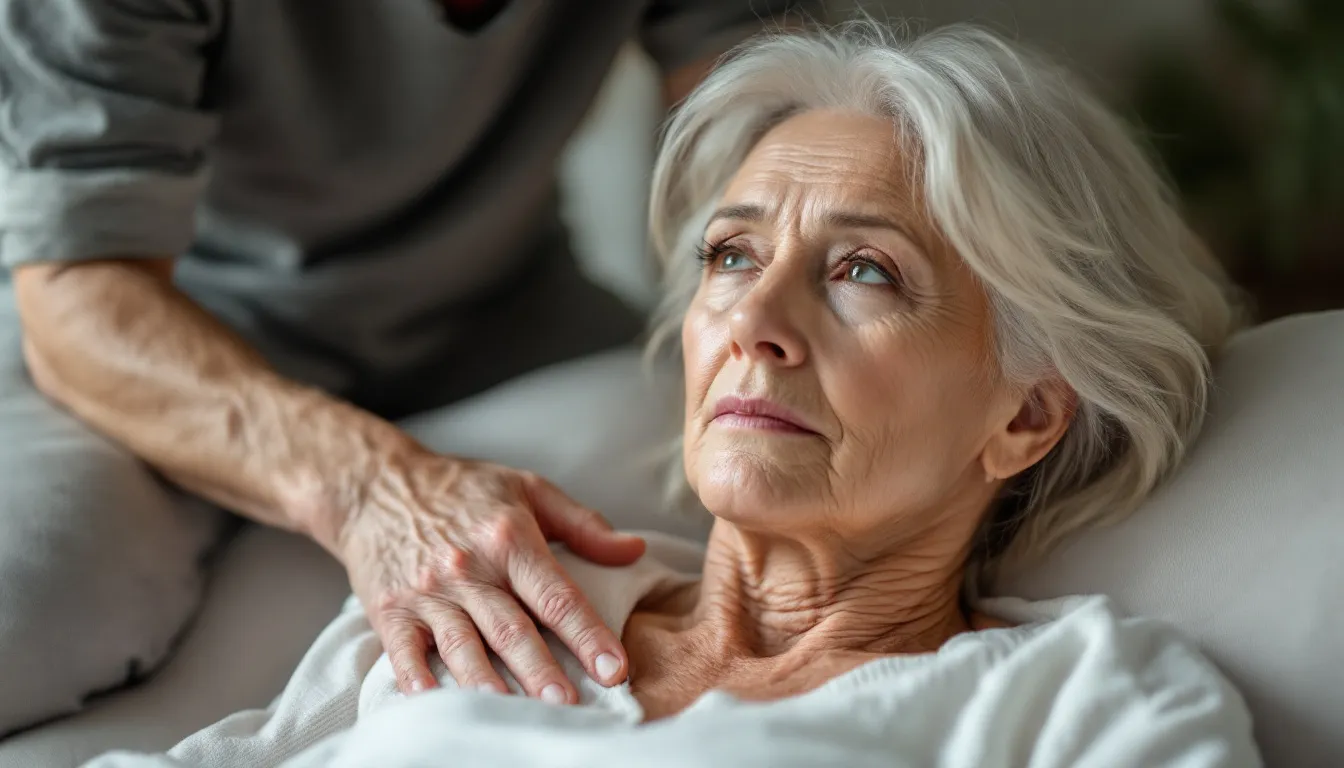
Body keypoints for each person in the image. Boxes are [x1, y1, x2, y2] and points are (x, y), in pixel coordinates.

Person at [90, 20, 1259, 768]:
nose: (751, 322)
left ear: (1026, 416)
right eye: (730, 256)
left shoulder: (1088, 699)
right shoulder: (487, 588)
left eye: (863, 272)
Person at [0, 0, 815, 735]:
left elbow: (788, 138)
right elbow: (80, 283)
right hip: (166, 334)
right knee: (32, 608)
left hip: (506, 317)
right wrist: (370, 487)